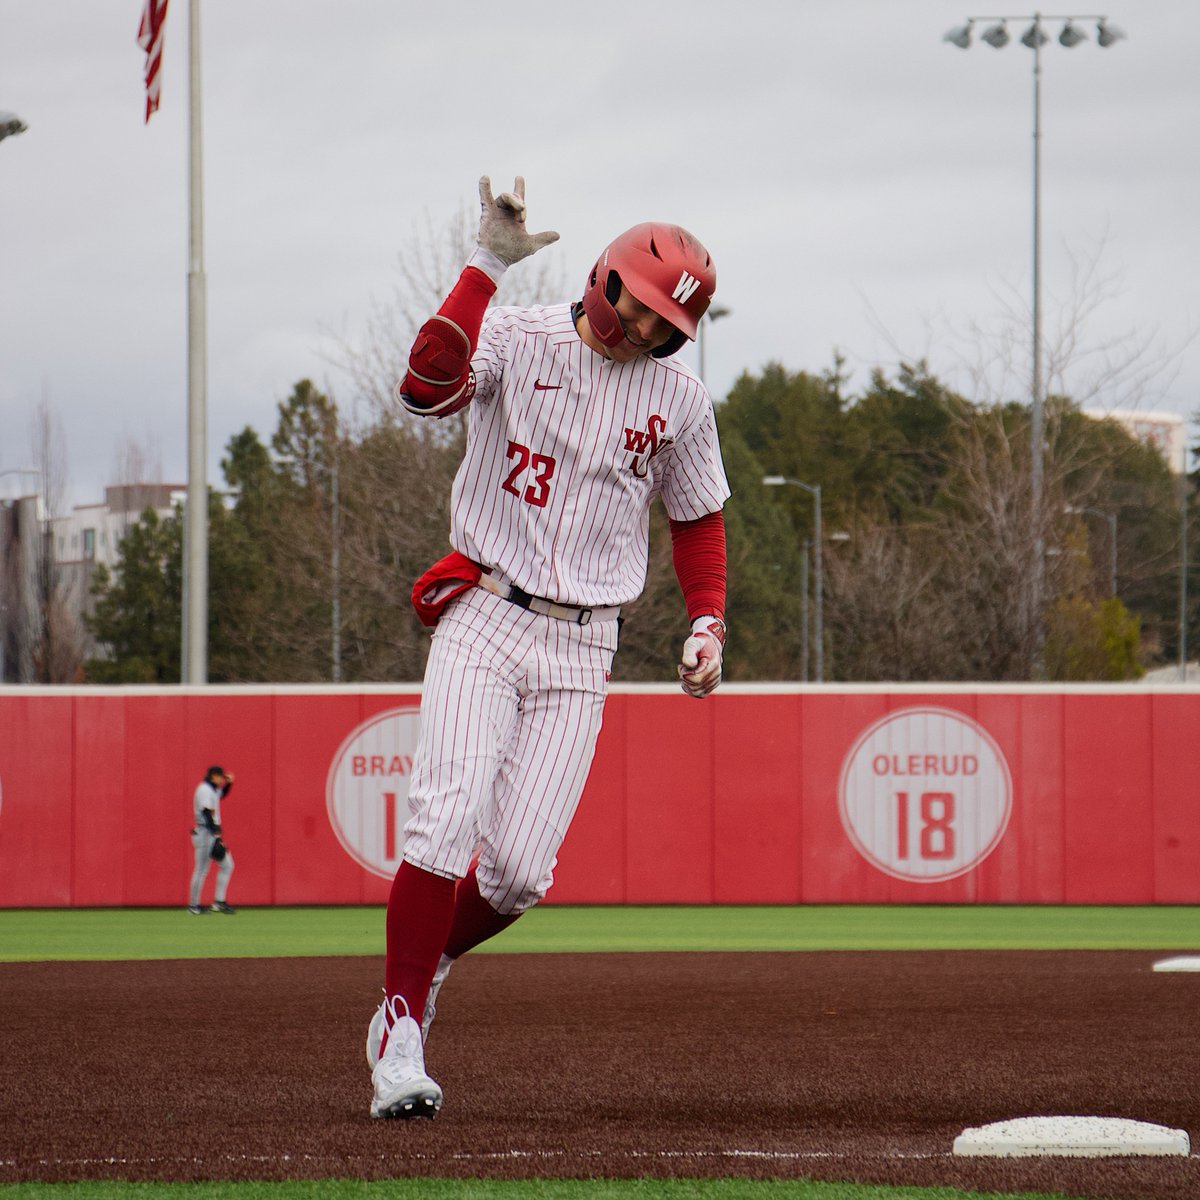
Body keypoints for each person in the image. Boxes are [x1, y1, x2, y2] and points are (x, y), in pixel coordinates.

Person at [367, 176, 729, 1120]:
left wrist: (706, 620)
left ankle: (428, 961)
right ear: (606, 277)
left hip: (585, 643)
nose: (647, 333)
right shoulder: (518, 335)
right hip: (486, 608)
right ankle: (401, 1025)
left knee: (522, 872)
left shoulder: (681, 401)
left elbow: (698, 520)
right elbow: (421, 388)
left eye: (667, 327)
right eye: (641, 310)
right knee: (444, 819)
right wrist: (485, 264)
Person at [188, 765, 236, 915]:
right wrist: (216, 832)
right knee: (201, 870)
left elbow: (221, 795)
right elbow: (206, 812)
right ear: (213, 776)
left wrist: (229, 784)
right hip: (204, 832)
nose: (222, 779)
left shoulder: (212, 789)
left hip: (211, 833)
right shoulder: (204, 789)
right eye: (220, 776)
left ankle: (218, 902)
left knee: (227, 865)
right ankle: (193, 906)